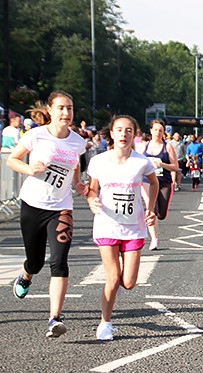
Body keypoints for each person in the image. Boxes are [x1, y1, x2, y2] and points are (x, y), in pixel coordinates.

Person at [5, 91, 88, 338]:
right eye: (61, 108)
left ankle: (54, 318)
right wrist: (30, 168)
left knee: (59, 260)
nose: (66, 113)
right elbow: (12, 160)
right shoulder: (36, 135)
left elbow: (75, 165)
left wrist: (78, 183)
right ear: (50, 110)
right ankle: (26, 273)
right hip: (33, 204)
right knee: (36, 261)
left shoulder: (78, 141)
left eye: (70, 108)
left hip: (61, 207)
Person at [86, 115, 159, 340]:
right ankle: (104, 323)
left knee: (128, 282)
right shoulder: (98, 161)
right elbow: (91, 190)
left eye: (129, 130)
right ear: (112, 133)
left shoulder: (141, 161)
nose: (124, 134)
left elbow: (154, 182)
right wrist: (91, 200)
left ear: (134, 134)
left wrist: (151, 208)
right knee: (113, 278)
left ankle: (112, 301)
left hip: (133, 228)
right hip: (107, 225)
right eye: (119, 130)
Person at [137, 120, 178, 250]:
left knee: (161, 214)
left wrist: (162, 165)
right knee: (151, 208)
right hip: (147, 181)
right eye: (156, 130)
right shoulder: (144, 146)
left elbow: (175, 167)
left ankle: (158, 219)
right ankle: (154, 239)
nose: (158, 132)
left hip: (163, 181)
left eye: (160, 130)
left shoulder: (168, 147)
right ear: (151, 131)